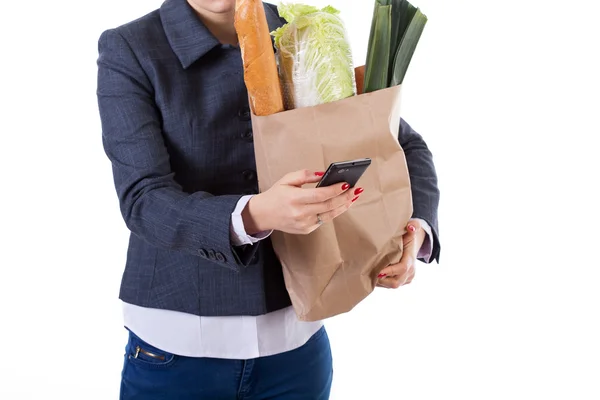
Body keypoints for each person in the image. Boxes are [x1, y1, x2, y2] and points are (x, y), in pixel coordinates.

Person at [96, 0, 440, 398]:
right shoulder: (132, 47)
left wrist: (415, 228)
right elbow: (143, 199)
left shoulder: (300, 28)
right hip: (177, 353)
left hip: (297, 351)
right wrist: (255, 215)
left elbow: (399, 142)